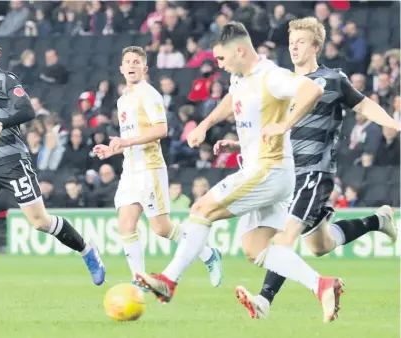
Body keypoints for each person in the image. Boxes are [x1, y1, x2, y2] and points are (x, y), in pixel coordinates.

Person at [134, 22, 343, 323]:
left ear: (240, 51)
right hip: (266, 172)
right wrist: (205, 125)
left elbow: (312, 88)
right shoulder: (239, 78)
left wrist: (285, 125)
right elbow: (233, 99)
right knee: (254, 249)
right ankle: (322, 285)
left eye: (221, 59)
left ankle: (168, 280)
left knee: (201, 209)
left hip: (268, 170)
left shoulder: (270, 76)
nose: (218, 66)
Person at [234, 17, 400, 320]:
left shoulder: (332, 79)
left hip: (314, 173)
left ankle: (264, 300)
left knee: (284, 238)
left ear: (315, 46)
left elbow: (364, 106)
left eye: (300, 42)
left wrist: (394, 123)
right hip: (283, 174)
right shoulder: (282, 83)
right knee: (320, 245)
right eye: (291, 42)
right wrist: (240, 145)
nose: (294, 47)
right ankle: (379, 220)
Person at [0, 31, 105, 304]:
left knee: (40, 222)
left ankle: (87, 251)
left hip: (12, 163)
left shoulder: (6, 80)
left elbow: (28, 111)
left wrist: (0, 124)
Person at [92, 46, 223, 290]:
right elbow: (130, 137)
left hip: (150, 168)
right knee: (125, 224)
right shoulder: (122, 101)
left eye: (136, 62)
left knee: (162, 229)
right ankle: (139, 278)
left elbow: (161, 130)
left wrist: (127, 142)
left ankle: (208, 254)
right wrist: (113, 149)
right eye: (127, 62)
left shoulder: (149, 94)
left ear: (144, 68)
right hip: (130, 169)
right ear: (121, 68)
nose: (131, 65)